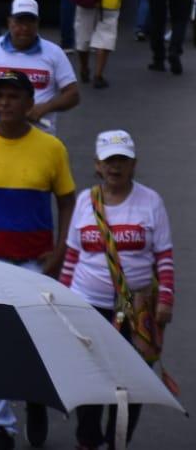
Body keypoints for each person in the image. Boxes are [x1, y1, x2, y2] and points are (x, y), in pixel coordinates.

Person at [0, 69, 77, 450]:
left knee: (37, 343)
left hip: (35, 265)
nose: (4, 103)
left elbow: (67, 201)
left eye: (13, 96)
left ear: (29, 103)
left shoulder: (52, 148)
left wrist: (59, 254)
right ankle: (0, 427)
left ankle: (35, 398)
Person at [59, 130, 174, 450]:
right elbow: (71, 257)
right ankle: (88, 439)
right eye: (109, 161)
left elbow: (164, 255)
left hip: (137, 309)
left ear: (134, 164)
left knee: (130, 382)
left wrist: (165, 299)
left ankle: (118, 441)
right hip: (88, 307)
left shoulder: (151, 202)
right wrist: (62, 302)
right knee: (90, 379)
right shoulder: (85, 202)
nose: (116, 167)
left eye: (122, 160)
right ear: (97, 165)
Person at [0, 0, 81, 135]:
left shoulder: (54, 53)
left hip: (40, 137)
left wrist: (44, 108)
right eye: (19, 22)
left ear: (37, 23)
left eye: (30, 22)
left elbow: (73, 94)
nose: (24, 28)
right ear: (9, 22)